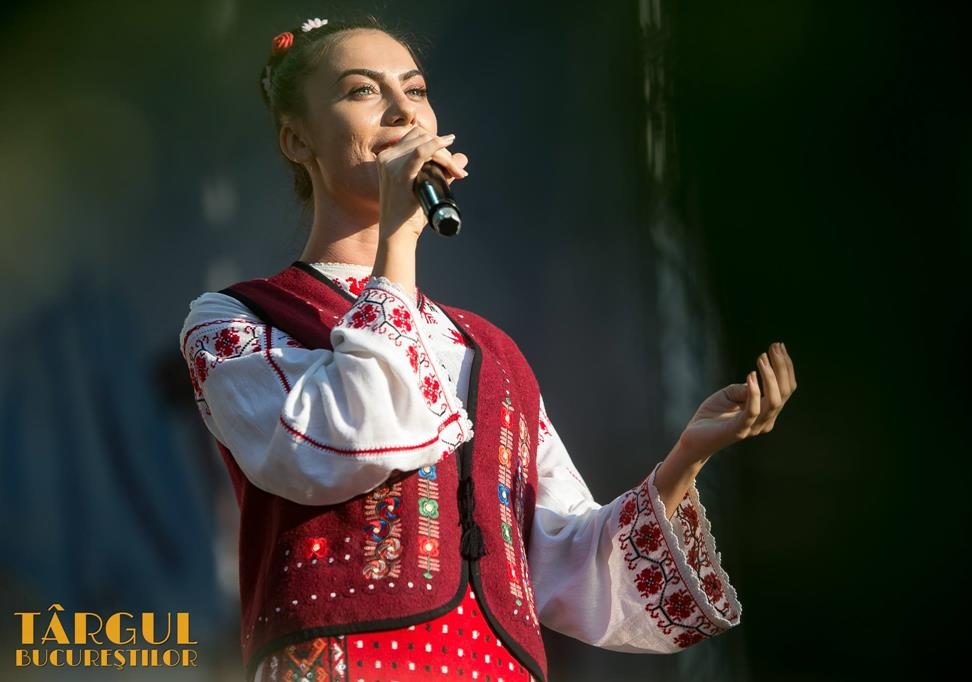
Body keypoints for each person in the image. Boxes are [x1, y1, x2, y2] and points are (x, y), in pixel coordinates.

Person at [179, 14, 796, 682]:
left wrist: (687, 455)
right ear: (297, 139)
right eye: (363, 90)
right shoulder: (239, 320)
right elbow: (343, 440)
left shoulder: (487, 351)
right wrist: (399, 236)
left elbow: (565, 560)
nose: (401, 110)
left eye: (415, 90)